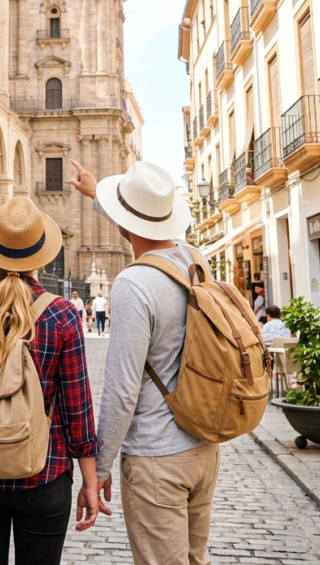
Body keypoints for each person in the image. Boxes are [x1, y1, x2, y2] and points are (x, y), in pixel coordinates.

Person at [0, 196, 104, 565]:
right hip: (45, 474)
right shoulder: (61, 314)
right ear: (41, 255)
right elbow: (78, 408)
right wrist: (90, 481)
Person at [71, 158, 220, 565]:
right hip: (204, 449)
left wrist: (100, 468)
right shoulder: (196, 260)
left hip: (157, 458)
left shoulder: (134, 283)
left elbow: (122, 390)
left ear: (124, 223)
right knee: (196, 559)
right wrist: (98, 194)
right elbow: (144, 228)